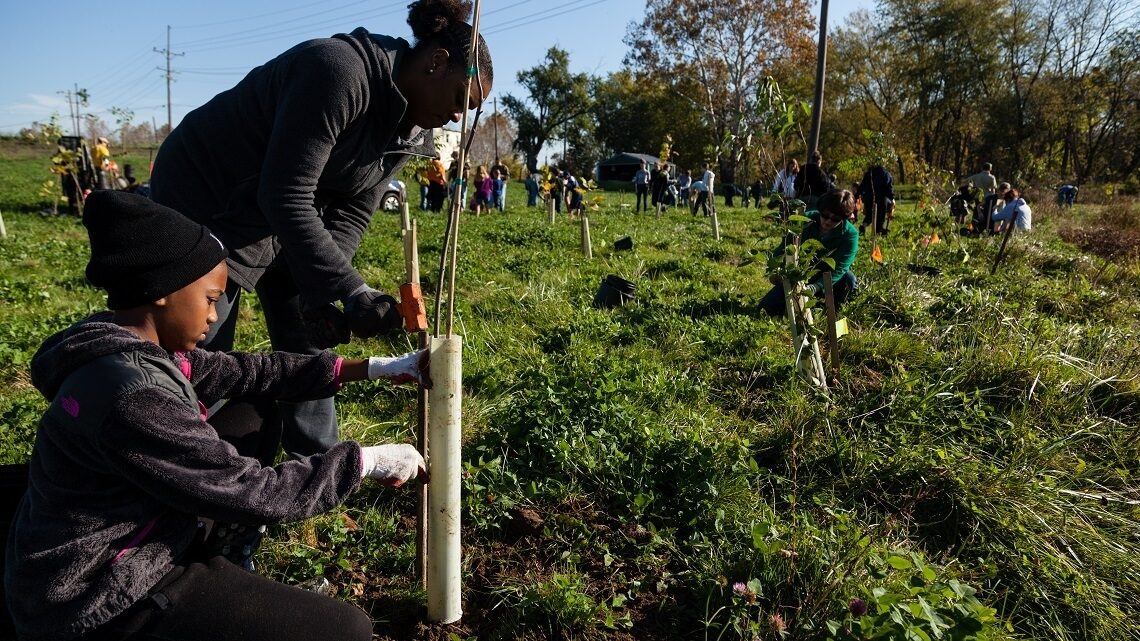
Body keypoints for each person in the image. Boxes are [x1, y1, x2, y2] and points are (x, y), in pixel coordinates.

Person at [4, 191, 429, 641]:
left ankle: (224, 557)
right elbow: (251, 490)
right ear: (165, 293)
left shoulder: (124, 347)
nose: (213, 316)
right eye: (210, 299)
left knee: (253, 406)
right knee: (346, 629)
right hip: (98, 595)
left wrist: (370, 369)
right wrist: (365, 462)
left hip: (118, 536)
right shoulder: (134, 395)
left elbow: (244, 371)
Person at [149, 0, 492, 459]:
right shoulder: (338, 72)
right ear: (436, 61)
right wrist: (351, 290)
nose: (457, 118)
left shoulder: (407, 133)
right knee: (199, 344)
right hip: (209, 198)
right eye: (459, 102)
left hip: (282, 211)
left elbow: (350, 214)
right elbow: (284, 193)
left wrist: (322, 293)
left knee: (308, 338)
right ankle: (176, 465)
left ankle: (318, 469)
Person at [760, 188, 860, 317]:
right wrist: (775, 267)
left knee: (849, 280)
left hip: (828, 278)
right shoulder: (804, 220)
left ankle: (833, 309)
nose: (828, 221)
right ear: (820, 210)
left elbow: (840, 267)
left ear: (844, 218)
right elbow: (785, 247)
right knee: (765, 310)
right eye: (825, 215)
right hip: (801, 274)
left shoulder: (850, 235)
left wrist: (816, 287)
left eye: (835, 219)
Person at [858, 161, 895, 237]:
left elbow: (862, 187)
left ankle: (864, 225)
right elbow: (889, 189)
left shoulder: (869, 173)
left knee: (869, 214)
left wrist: (857, 196)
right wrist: (892, 199)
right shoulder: (886, 174)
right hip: (882, 200)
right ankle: (878, 232)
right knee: (880, 216)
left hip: (868, 198)